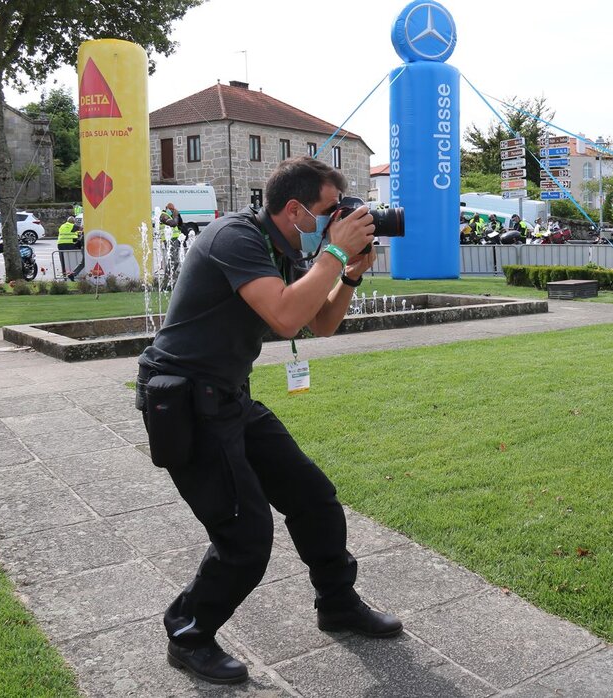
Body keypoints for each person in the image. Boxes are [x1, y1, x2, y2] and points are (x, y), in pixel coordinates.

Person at [136, 156, 402, 685]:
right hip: (186, 401)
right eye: (332, 211)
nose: (340, 221)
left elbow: (319, 322)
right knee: (245, 537)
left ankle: (338, 603)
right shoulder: (234, 237)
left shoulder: (283, 249)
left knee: (313, 496)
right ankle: (188, 634)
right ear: (296, 209)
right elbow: (282, 315)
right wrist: (332, 252)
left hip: (230, 395)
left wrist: (347, 272)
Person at [159, 203, 184, 281]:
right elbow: (173, 224)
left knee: (174, 260)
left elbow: (180, 224)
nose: (173, 211)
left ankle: (169, 277)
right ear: (167, 208)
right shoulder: (163, 215)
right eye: (171, 210)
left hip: (175, 240)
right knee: (174, 260)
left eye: (173, 210)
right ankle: (167, 278)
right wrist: (175, 216)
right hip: (169, 240)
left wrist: (178, 216)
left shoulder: (170, 216)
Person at [57, 215, 84, 281]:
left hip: (60, 244)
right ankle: (73, 272)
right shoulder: (73, 226)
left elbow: (68, 232)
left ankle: (64, 276)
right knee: (74, 257)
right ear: (73, 222)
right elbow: (82, 229)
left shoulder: (62, 226)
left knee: (63, 260)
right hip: (69, 244)